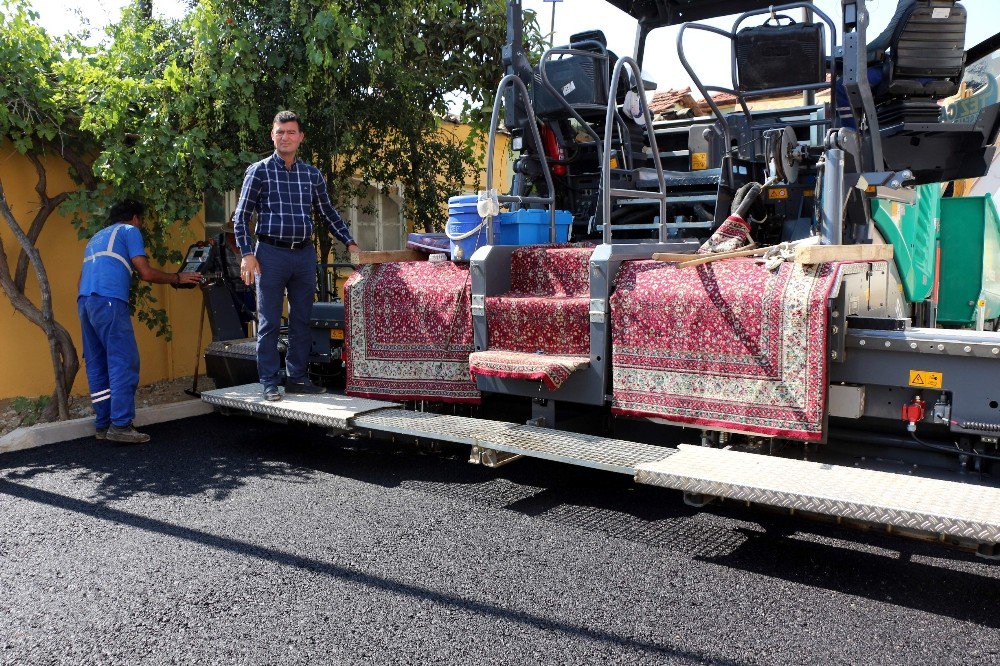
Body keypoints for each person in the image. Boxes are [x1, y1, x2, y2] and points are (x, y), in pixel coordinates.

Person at [233, 110, 360, 401]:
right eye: (280, 132)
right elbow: (241, 217)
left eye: (291, 132)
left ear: (300, 137)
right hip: (270, 255)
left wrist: (350, 242)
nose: (285, 137)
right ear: (272, 135)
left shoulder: (311, 175)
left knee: (303, 319)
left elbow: (327, 212)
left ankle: (297, 378)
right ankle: (268, 381)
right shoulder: (259, 171)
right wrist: (247, 254)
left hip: (303, 255)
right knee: (269, 321)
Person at [78, 199, 202, 443]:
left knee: (97, 362)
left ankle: (103, 424)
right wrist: (178, 277)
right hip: (110, 299)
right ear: (135, 217)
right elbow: (145, 272)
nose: (141, 225)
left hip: (85, 302)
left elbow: (82, 276)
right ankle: (121, 426)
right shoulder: (129, 231)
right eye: (142, 220)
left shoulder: (96, 237)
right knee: (123, 360)